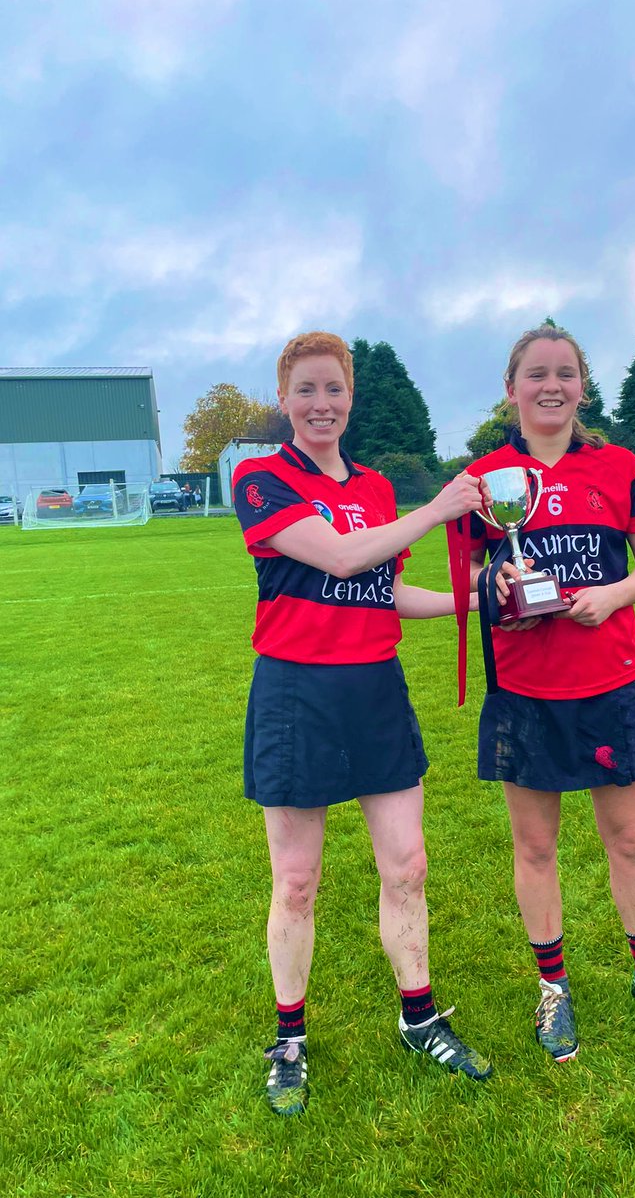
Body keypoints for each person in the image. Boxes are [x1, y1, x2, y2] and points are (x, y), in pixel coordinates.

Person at [232, 331, 492, 1117]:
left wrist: (478, 599)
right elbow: (341, 560)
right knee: (299, 880)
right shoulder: (259, 478)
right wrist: (440, 508)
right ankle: (289, 1040)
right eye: (306, 390)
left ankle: (419, 1017)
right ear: (285, 400)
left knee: (407, 865)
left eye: (334, 390)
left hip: (375, 690)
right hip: (295, 695)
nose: (321, 405)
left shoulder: (376, 488)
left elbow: (381, 590)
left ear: (351, 399)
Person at [465, 324, 635, 1062]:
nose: (551, 386)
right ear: (512, 389)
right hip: (526, 689)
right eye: (536, 374)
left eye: (565, 373)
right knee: (535, 848)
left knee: (628, 840)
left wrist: (613, 593)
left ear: (582, 386)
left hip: (611, 681)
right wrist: (493, 582)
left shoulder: (620, 466)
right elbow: (472, 580)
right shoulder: (483, 479)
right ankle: (553, 990)